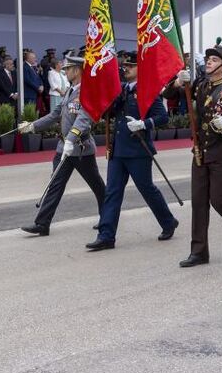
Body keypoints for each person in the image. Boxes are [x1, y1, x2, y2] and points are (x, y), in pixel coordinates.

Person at [163, 44, 222, 267]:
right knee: (198, 203)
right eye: (208, 59)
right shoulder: (200, 84)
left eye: (214, 60)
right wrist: (178, 82)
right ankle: (199, 252)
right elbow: (168, 95)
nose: (208, 62)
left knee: (219, 200)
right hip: (200, 151)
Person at [87, 56, 179, 250]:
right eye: (124, 66)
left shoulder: (147, 89)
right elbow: (107, 114)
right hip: (118, 149)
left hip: (138, 149)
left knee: (147, 189)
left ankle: (168, 221)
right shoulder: (120, 90)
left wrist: (143, 124)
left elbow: (162, 116)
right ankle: (106, 236)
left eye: (130, 66)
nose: (125, 68)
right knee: (112, 193)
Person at [18, 55, 106, 236]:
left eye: (68, 68)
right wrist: (32, 126)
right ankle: (42, 223)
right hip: (63, 149)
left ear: (77, 70)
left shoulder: (87, 92)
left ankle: (108, 218)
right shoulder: (70, 90)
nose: (65, 71)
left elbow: (83, 120)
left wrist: (71, 140)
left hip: (80, 149)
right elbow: (55, 115)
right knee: (55, 184)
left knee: (97, 185)